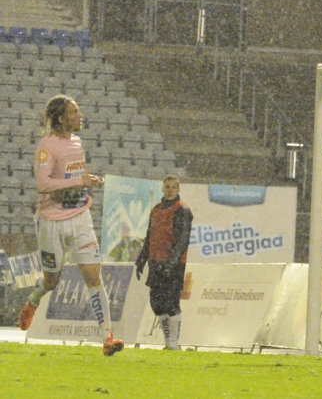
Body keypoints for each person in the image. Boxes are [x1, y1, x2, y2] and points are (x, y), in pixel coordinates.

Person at [18, 94, 124, 356]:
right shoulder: (47, 146)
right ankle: (33, 300)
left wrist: (87, 181)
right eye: (75, 112)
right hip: (52, 222)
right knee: (52, 281)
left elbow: (73, 178)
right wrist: (78, 183)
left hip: (80, 218)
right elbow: (43, 185)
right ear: (62, 118)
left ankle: (107, 338)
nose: (80, 116)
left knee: (93, 278)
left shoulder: (77, 142)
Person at [135, 175, 193, 350]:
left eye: (173, 187)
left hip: (172, 264)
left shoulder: (182, 210)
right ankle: (168, 340)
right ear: (162, 188)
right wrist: (142, 258)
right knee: (156, 303)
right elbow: (150, 236)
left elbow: (182, 240)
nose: (169, 190)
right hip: (155, 262)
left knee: (171, 302)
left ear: (178, 190)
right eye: (167, 186)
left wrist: (171, 263)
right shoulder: (157, 209)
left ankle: (173, 342)